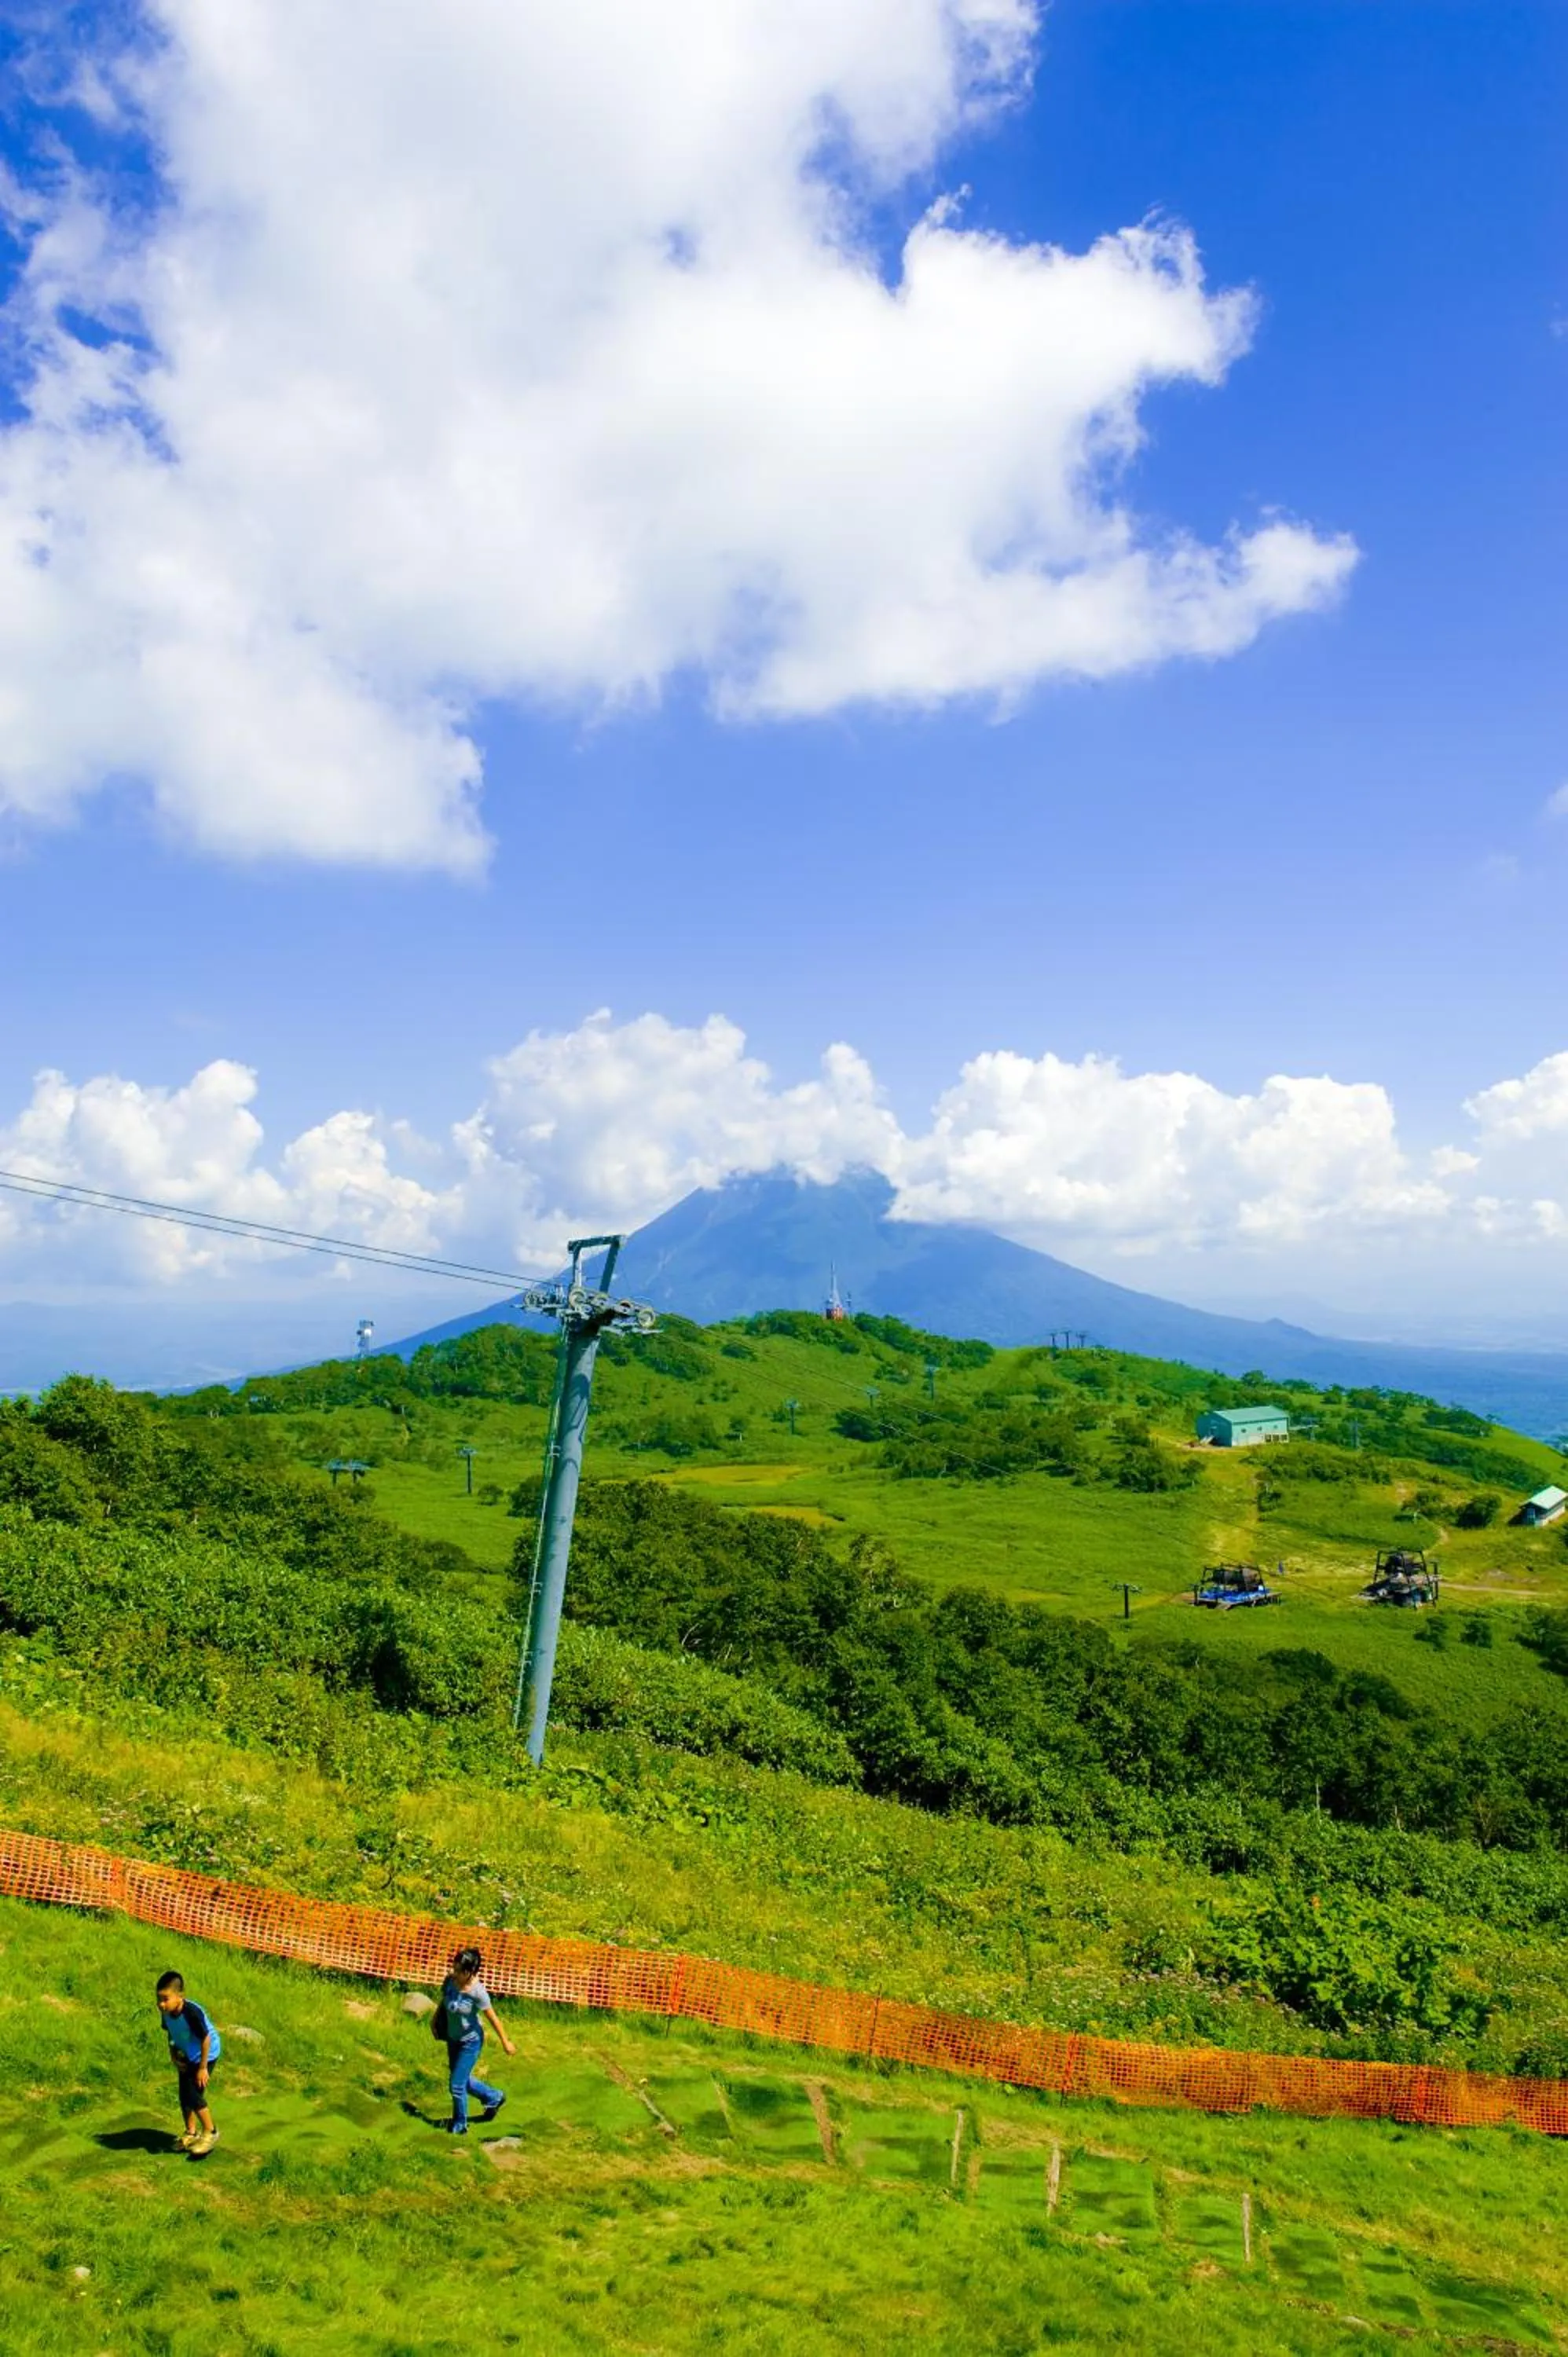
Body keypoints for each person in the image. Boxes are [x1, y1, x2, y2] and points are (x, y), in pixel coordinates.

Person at [440, 1946, 515, 2135]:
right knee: (462, 2080)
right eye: (454, 1968)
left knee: (456, 2085)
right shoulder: (450, 1981)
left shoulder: (478, 1993)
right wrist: (434, 2022)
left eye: (459, 1971)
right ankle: (494, 2097)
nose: (454, 1973)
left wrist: (505, 2042)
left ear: (470, 1972)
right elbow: (444, 2001)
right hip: (453, 2039)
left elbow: (493, 2018)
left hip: (470, 2042)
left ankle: (460, 2126)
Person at [155, 1969, 222, 2156]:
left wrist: (202, 2068)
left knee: (193, 2094)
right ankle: (191, 2133)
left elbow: (206, 2039)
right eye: (158, 1999)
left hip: (205, 2055)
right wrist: (173, 2055)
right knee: (184, 2095)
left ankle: (211, 2132)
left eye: (165, 1999)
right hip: (185, 2054)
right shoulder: (166, 2013)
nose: (161, 2004)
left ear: (180, 1996)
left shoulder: (192, 2013)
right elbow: (171, 2033)